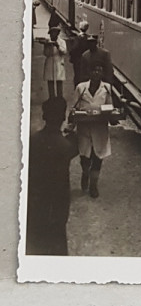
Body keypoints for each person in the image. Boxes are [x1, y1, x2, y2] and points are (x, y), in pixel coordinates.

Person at [26, 97, 78, 255]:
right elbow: (75, 147)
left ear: (43, 116)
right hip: (57, 207)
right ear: (63, 117)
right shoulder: (65, 146)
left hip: (35, 204)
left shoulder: (32, 140)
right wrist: (72, 130)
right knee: (56, 245)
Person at [73, 64, 118, 198]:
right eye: (94, 70)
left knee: (97, 157)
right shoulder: (81, 88)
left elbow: (110, 106)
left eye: (99, 70)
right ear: (90, 72)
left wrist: (112, 116)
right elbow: (73, 108)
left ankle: (93, 185)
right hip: (84, 128)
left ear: (102, 73)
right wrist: (73, 122)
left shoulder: (106, 88)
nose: (96, 73)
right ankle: (85, 174)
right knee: (84, 157)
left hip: (100, 129)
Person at [43, 26, 67, 98]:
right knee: (50, 80)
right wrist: (47, 46)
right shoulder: (48, 42)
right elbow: (46, 53)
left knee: (59, 80)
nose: (53, 35)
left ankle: (60, 97)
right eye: (51, 34)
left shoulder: (62, 42)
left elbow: (64, 52)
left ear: (57, 34)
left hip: (58, 61)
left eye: (55, 33)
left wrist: (58, 46)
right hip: (50, 61)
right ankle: (51, 97)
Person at [69, 20, 90, 86]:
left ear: (80, 28)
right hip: (86, 60)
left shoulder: (78, 38)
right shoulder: (88, 38)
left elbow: (74, 49)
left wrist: (71, 55)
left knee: (77, 75)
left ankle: (77, 90)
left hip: (78, 60)